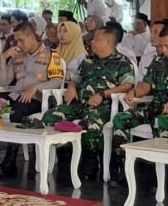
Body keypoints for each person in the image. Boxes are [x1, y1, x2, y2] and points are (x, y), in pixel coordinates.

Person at [42, 26, 134, 180]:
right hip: (79, 103)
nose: (92, 42)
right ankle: (64, 157)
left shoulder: (122, 62)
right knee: (50, 117)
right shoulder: (88, 60)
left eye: (97, 39)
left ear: (108, 42)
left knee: (91, 123)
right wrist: (71, 88)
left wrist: (102, 94)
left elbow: (127, 85)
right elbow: (76, 80)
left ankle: (90, 160)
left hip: (103, 106)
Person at [0, 22, 64, 178]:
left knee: (17, 112)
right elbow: (3, 82)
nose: (18, 44)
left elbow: (57, 81)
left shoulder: (51, 55)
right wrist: (3, 59)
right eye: (16, 40)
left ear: (31, 36)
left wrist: (36, 88)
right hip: (15, 97)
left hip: (36, 100)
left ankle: (10, 162)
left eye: (21, 40)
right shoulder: (17, 56)